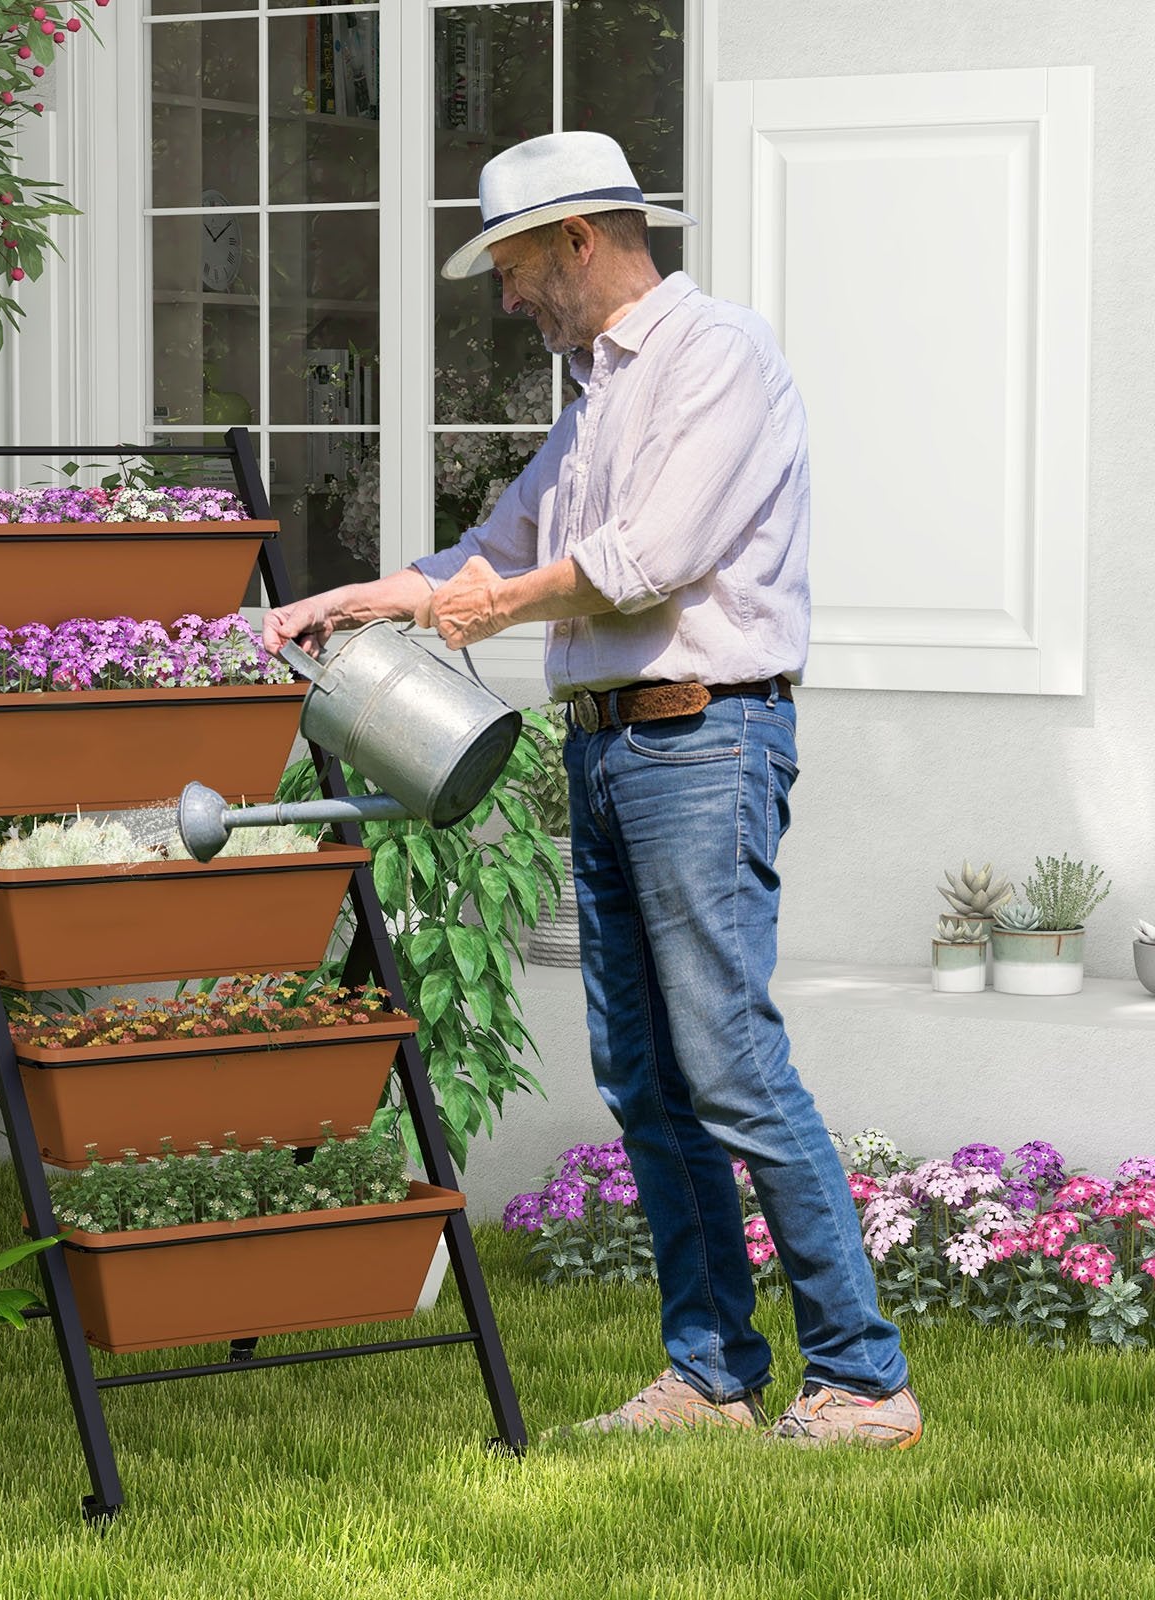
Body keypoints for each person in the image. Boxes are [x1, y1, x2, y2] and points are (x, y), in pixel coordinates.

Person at [262, 130, 920, 1449]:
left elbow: (653, 554)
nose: (505, 298)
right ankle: (714, 1375)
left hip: (704, 741)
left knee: (728, 1064)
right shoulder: (595, 394)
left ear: (577, 240)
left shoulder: (714, 356)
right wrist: (371, 595)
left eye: (512, 267)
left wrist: (495, 604)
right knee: (643, 1076)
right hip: (612, 747)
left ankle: (863, 1380)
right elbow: (505, 538)